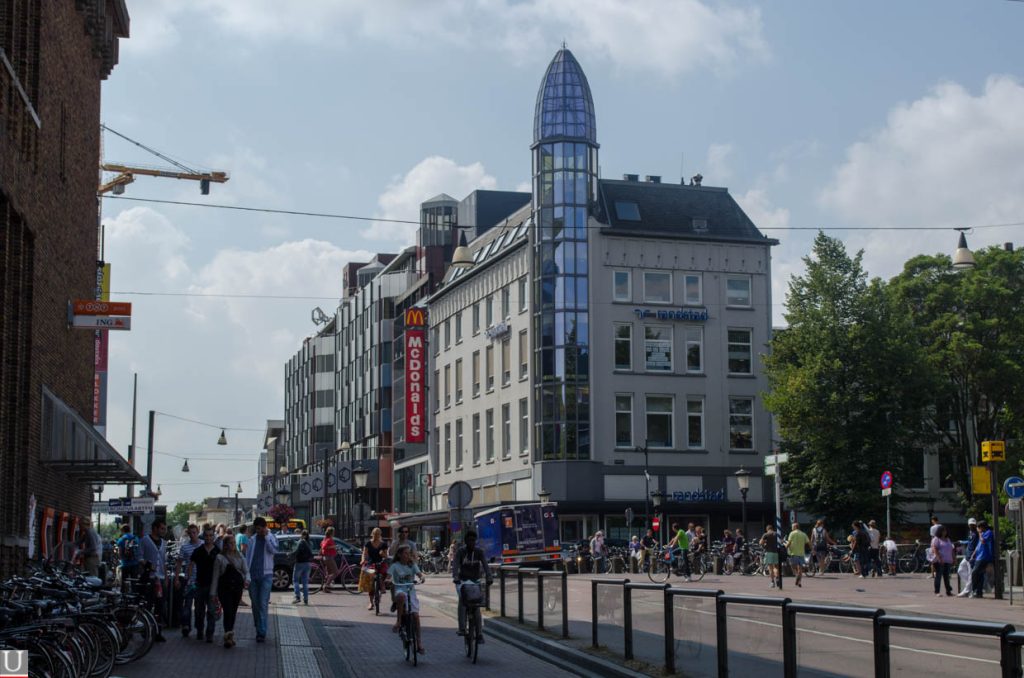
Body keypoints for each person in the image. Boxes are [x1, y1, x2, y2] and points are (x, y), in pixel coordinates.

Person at [211, 531, 249, 649]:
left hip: (237, 588)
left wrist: (247, 580)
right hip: (224, 588)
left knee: (233, 611)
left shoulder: (240, 556)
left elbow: (246, 571)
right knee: (227, 611)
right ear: (225, 545)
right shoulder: (220, 558)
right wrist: (213, 593)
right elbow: (216, 576)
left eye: (234, 543)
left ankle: (229, 635)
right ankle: (228, 635)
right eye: (230, 543)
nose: (233, 545)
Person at [452, 530, 492, 641]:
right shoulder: (460, 552)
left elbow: (485, 564)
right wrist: (455, 576)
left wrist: (489, 576)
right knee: (462, 601)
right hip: (463, 581)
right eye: (469, 540)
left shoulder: (479, 552)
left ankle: (479, 634)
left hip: (476, 581)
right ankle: (462, 628)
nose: (471, 543)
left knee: (476, 606)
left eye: (473, 540)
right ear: (465, 541)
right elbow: (455, 565)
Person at [244, 516, 278, 642]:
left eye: (260, 529)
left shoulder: (271, 537)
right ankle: (259, 626)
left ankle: (261, 632)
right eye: (256, 529)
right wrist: (246, 574)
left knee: (263, 603)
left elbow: (274, 550)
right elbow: (247, 558)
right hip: (253, 575)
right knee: (255, 604)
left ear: (265, 527)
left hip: (266, 576)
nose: (258, 531)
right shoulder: (252, 540)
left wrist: (267, 537)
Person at [389, 544, 426, 654]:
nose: (408, 555)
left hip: (411, 591)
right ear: (399, 555)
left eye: (409, 553)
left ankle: (419, 643)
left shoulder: (412, 565)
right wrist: (387, 580)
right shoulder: (395, 566)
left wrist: (422, 577)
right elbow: (388, 576)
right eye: (405, 553)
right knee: (401, 596)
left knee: (416, 616)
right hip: (400, 590)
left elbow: (419, 574)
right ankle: (399, 621)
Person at [188, 526, 221, 642]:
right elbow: (191, 564)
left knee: (211, 611)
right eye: (206, 535)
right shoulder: (198, 550)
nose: (208, 538)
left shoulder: (217, 551)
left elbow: (222, 567)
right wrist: (190, 580)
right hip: (199, 585)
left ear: (214, 536)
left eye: (211, 535)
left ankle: (210, 633)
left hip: (213, 586)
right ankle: (200, 630)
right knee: (198, 611)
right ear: (204, 536)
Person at [140, 519, 168, 641]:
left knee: (160, 606)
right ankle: (146, 630)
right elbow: (139, 557)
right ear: (155, 528)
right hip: (149, 578)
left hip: (160, 578)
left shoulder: (164, 543)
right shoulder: (145, 540)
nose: (164, 531)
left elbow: (164, 561)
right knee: (148, 604)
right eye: (162, 528)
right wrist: (147, 565)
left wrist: (166, 576)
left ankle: (158, 632)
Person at [175, 524, 201, 637]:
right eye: (190, 533)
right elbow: (179, 563)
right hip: (189, 580)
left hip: (201, 580)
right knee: (187, 606)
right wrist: (176, 578)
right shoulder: (185, 547)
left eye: (194, 532)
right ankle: (186, 626)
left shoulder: (204, 545)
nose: (192, 535)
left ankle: (198, 627)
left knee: (199, 607)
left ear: (198, 532)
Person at [361, 528, 387, 611]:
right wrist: (363, 560)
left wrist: (383, 554)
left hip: (380, 563)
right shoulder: (368, 543)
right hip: (371, 563)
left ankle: (382, 585)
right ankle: (371, 602)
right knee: (370, 583)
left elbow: (386, 556)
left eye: (378, 534)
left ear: (380, 535)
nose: (377, 535)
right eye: (375, 534)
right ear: (372, 534)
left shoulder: (383, 544)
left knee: (384, 572)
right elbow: (364, 553)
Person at [970, 520, 994, 599]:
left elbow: (983, 541)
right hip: (979, 556)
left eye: (978, 527)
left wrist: (980, 533)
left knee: (974, 572)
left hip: (984, 557)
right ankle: (979, 592)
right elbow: (978, 546)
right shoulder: (983, 534)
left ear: (982, 527)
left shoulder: (988, 532)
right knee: (980, 575)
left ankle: (974, 589)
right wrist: (973, 554)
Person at [930, 525, 954, 596]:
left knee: (946, 576)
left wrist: (953, 558)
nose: (944, 532)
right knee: (938, 576)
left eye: (945, 531)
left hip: (947, 560)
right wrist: (940, 558)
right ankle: (937, 591)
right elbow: (935, 549)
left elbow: (951, 549)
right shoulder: (936, 539)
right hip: (939, 561)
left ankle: (948, 591)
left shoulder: (948, 539)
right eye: (943, 531)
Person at [116, 523, 141, 591]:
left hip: (125, 564)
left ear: (123, 531)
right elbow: (139, 550)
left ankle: (124, 597)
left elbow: (120, 552)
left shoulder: (121, 539)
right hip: (135, 563)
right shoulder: (135, 538)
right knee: (134, 581)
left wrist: (121, 559)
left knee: (124, 581)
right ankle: (135, 597)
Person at [959, 518, 979, 597]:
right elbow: (969, 541)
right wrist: (962, 542)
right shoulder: (970, 533)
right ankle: (969, 587)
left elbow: (977, 545)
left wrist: (973, 555)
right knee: (960, 570)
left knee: (971, 574)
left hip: (972, 556)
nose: (972, 526)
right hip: (967, 555)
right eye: (970, 524)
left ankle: (967, 591)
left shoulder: (977, 534)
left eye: (973, 524)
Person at [293, 530, 314, 605]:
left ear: (302, 535)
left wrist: (289, 554)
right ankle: (306, 599)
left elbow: (296, 551)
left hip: (299, 563)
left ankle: (297, 597)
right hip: (308, 563)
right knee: (305, 582)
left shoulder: (300, 542)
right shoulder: (310, 543)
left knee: (295, 580)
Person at [785, 523, 809, 587]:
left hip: (793, 553)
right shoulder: (803, 534)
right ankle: (799, 582)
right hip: (801, 553)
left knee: (792, 566)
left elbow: (789, 543)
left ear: (795, 527)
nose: (791, 528)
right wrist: (812, 549)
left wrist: (785, 546)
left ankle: (796, 575)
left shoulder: (792, 533)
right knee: (800, 568)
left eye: (792, 527)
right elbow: (808, 542)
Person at [760, 524, 781, 588]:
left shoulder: (766, 534)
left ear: (767, 529)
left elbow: (761, 542)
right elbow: (781, 541)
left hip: (769, 552)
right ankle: (777, 577)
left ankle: (772, 582)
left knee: (770, 568)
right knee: (776, 567)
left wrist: (765, 543)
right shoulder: (777, 534)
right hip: (776, 552)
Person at [320, 526, 340, 592]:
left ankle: (327, 587)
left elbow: (322, 546)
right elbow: (325, 547)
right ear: (332, 532)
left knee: (330, 573)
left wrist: (335, 548)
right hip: (329, 557)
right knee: (336, 573)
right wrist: (334, 546)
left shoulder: (325, 539)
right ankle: (326, 586)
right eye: (333, 532)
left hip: (326, 557)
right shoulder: (329, 539)